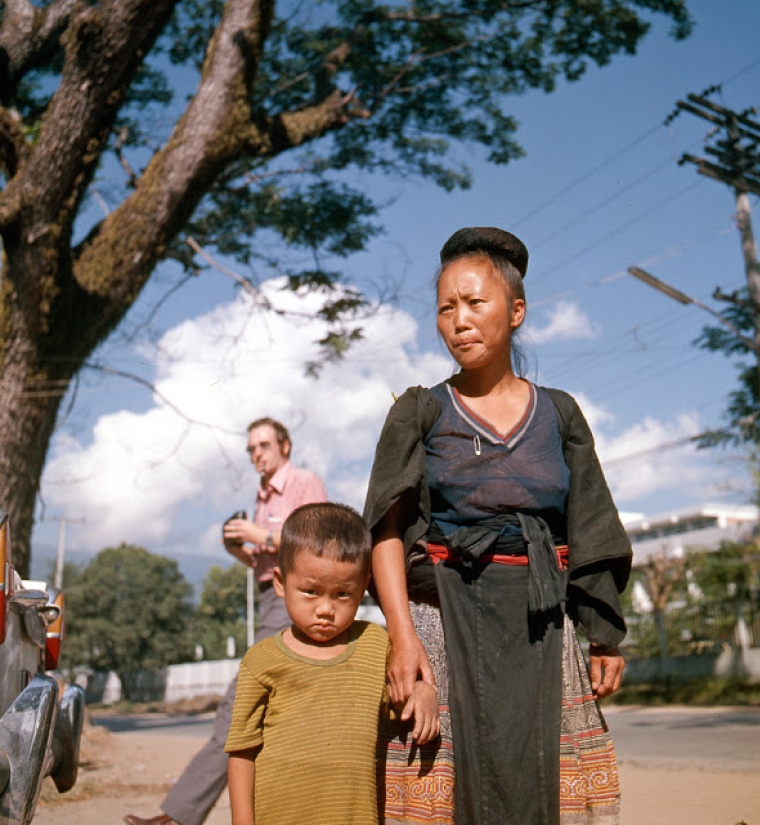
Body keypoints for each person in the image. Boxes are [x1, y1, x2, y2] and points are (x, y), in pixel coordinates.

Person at [363, 227, 632, 825]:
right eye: (445, 308)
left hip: (543, 620)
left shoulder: (559, 413)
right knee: (450, 787)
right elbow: (385, 531)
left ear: (515, 311)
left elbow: (591, 523)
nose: (459, 321)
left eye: (474, 303)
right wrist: (403, 640)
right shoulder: (419, 411)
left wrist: (604, 635)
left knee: (548, 783)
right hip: (444, 619)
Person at [125, 418, 326, 825]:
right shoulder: (262, 496)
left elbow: (317, 541)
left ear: (285, 446)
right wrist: (241, 549)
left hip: (294, 601)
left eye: (264, 445)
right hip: (271, 598)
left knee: (238, 709)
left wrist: (258, 533)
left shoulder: (304, 483)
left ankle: (177, 817)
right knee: (263, 712)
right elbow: (266, 562)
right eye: (251, 449)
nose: (257, 455)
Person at [225, 502, 439, 825]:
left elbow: (402, 698)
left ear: (363, 586)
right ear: (281, 583)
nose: (325, 609)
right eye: (311, 591)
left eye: (342, 594)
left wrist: (424, 691)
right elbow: (242, 751)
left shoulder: (374, 645)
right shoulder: (261, 661)